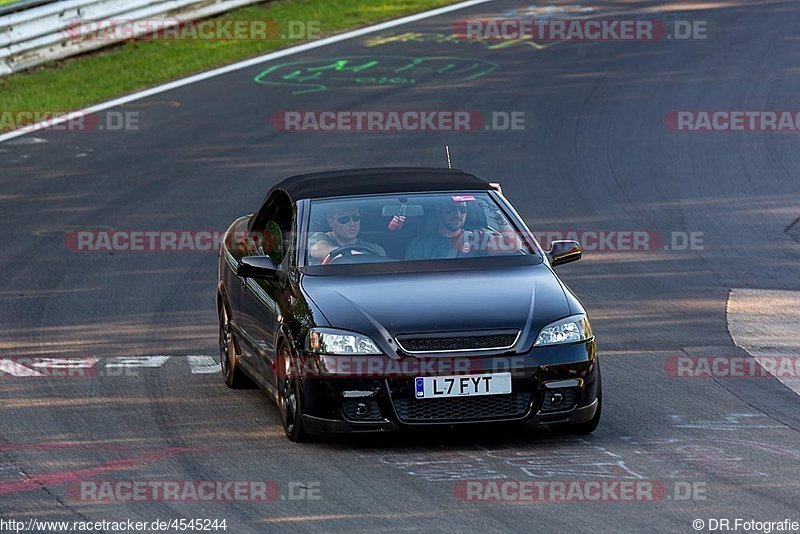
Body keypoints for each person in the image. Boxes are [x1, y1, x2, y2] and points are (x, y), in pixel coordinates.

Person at [308, 204, 386, 264]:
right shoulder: (319, 238)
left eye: (355, 217)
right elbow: (319, 249)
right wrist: (351, 255)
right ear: (331, 222)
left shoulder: (374, 250)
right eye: (344, 219)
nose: (352, 223)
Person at [405, 199, 472, 260]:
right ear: (439, 211)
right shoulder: (420, 245)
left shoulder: (476, 241)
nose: (457, 214)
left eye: (463, 209)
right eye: (450, 209)